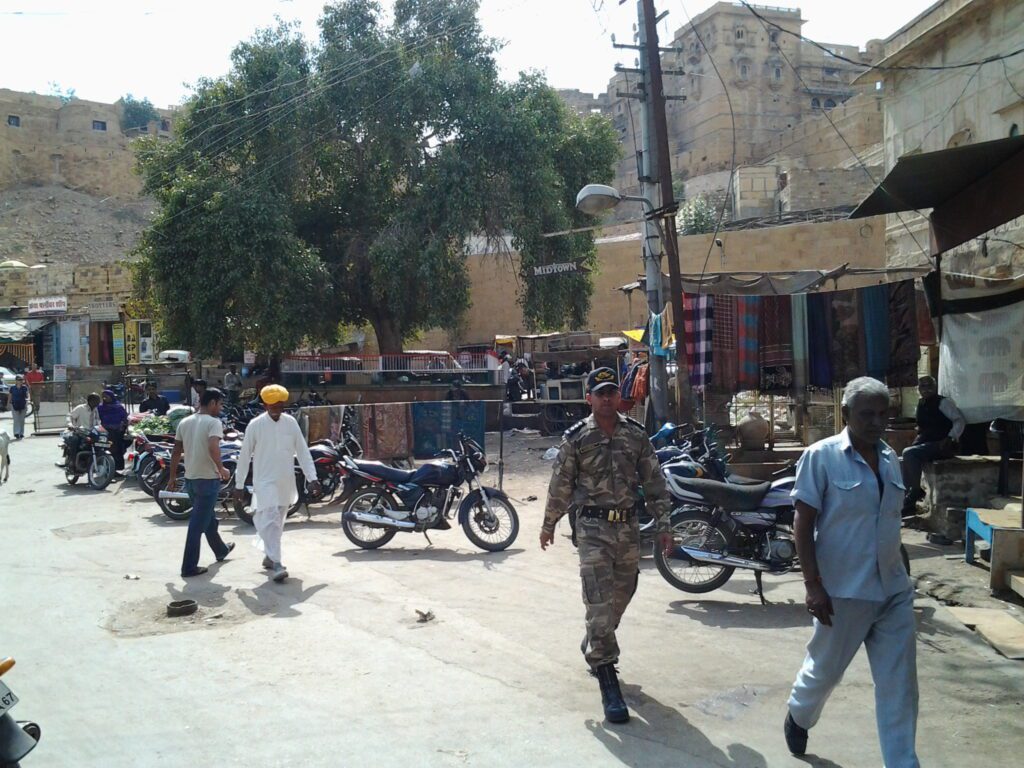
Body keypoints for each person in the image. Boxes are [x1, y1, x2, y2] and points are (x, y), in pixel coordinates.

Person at [784, 376, 918, 767]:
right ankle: (799, 714)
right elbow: (803, 523)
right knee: (824, 672)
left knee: (899, 686)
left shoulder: (891, 457)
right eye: (866, 415)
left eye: (882, 414)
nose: (876, 422)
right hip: (842, 592)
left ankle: (903, 763)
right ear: (845, 414)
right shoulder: (821, 457)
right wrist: (812, 585)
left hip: (893, 589)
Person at [540, 367, 674, 724]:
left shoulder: (636, 436)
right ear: (589, 399)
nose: (606, 398)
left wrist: (664, 524)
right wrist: (549, 524)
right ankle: (606, 674)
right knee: (598, 598)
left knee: (622, 593)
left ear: (619, 397)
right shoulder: (577, 438)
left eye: (611, 392)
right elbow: (561, 484)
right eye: (599, 393)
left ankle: (596, 636)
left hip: (628, 526)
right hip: (592, 528)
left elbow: (655, 481)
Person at [233, 385, 320, 583]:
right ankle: (278, 563)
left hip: (285, 480)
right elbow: (245, 456)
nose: (277, 408)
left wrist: (312, 478)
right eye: (273, 405)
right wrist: (239, 485)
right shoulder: (255, 425)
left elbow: (303, 451)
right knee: (270, 517)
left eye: (280, 404)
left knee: (277, 522)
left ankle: (269, 556)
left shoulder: (290, 423)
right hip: (264, 481)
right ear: (265, 405)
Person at [169, 388, 234, 578]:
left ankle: (221, 550)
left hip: (190, 479)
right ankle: (188, 567)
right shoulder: (214, 423)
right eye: (220, 404)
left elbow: (176, 451)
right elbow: (213, 446)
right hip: (207, 480)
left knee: (208, 519)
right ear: (212, 403)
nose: (220, 408)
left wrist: (173, 477)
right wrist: (221, 468)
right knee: (197, 526)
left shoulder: (185, 422)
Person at [901, 375, 965, 515]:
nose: (926, 389)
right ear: (919, 389)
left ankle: (915, 491)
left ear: (935, 387)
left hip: (943, 445)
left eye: (929, 386)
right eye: (923, 386)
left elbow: (959, 420)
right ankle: (908, 499)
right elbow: (923, 428)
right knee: (902, 460)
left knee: (908, 453)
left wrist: (951, 437)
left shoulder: (943, 402)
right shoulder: (921, 403)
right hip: (928, 443)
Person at [65, 393, 101, 470]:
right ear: (90, 401)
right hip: (80, 432)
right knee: (75, 440)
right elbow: (70, 416)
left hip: (91, 433)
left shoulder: (95, 410)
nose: (98, 402)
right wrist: (70, 425)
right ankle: (72, 461)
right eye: (97, 400)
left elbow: (98, 421)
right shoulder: (81, 408)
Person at [97, 390, 129, 474]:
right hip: (105, 433)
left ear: (111, 397)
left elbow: (125, 418)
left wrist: (122, 426)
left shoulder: (118, 407)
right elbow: (97, 418)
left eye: (106, 396)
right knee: (105, 450)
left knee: (117, 451)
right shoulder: (100, 407)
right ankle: (106, 469)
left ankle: (115, 470)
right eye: (103, 396)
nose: (104, 398)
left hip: (117, 433)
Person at [9, 375, 29, 440]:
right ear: (16, 381)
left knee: (22, 420)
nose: (20, 381)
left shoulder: (25, 387)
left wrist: (27, 402)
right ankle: (16, 433)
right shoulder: (12, 388)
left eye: (21, 380)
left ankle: (21, 433)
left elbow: (27, 396)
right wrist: (8, 404)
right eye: (19, 380)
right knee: (16, 420)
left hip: (23, 405)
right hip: (14, 405)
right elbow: (10, 396)